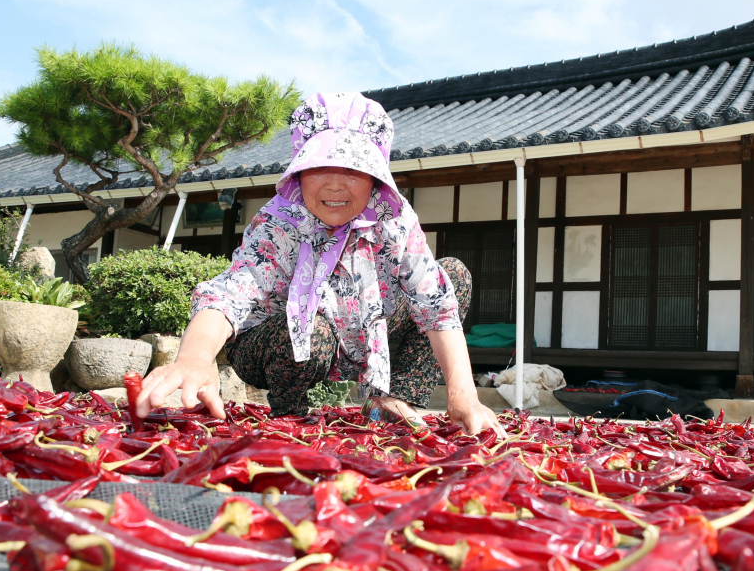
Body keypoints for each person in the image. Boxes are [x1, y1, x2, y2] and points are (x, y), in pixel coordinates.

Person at [138, 92, 504, 436]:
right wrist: (195, 357)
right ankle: (288, 411)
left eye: (353, 170)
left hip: (358, 336)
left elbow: (435, 304)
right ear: (299, 172)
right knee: (312, 333)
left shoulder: (395, 223)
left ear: (375, 179)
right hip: (274, 342)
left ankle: (393, 399)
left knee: (451, 275)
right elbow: (229, 295)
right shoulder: (279, 223)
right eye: (319, 167)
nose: (333, 186)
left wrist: (464, 396)